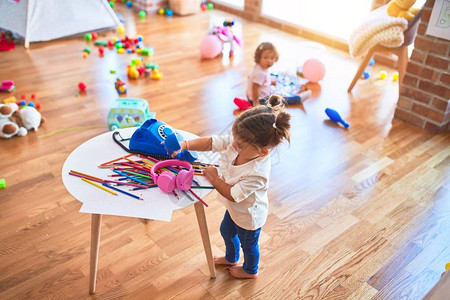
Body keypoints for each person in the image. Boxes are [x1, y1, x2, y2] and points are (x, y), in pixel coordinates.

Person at [171, 95, 291, 279]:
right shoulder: (241, 142)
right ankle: (231, 257)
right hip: (236, 209)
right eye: (234, 138)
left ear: (263, 152)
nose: (233, 144)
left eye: (239, 144)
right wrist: (185, 145)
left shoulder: (257, 173)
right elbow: (212, 142)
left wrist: (214, 178)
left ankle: (251, 270)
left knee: (249, 245)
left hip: (249, 215)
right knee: (226, 231)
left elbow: (234, 194)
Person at [234, 42, 310, 110]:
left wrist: (269, 82)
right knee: (280, 99)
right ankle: (298, 99)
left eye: (272, 58)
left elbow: (253, 78)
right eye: (265, 57)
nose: (269, 61)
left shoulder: (259, 67)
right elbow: (255, 88)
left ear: (275, 59)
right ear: (259, 57)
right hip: (261, 100)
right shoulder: (260, 73)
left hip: (252, 96)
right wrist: (256, 103)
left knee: (275, 92)